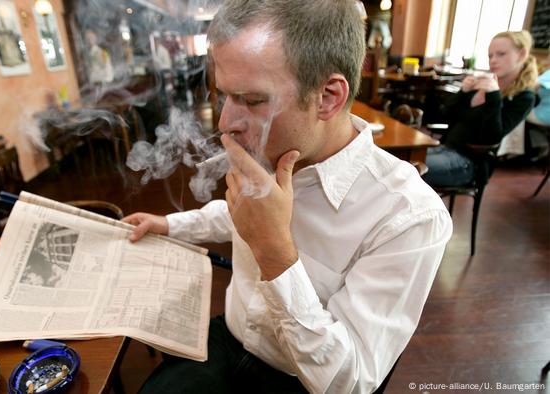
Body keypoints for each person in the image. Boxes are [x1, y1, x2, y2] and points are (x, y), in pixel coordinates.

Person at [123, 0, 452, 392]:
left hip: (299, 378)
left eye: (253, 100)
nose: (226, 123)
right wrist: (169, 224)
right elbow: (236, 213)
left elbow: (351, 380)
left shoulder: (408, 215)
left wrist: (275, 252)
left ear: (328, 96)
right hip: (228, 339)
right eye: (225, 95)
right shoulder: (266, 149)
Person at [424, 31, 538, 187]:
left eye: (501, 54)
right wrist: (463, 92)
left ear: (522, 54)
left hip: (468, 164)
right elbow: (444, 115)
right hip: (445, 149)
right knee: (395, 161)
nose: (493, 60)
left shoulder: (524, 97)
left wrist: (494, 97)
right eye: (490, 56)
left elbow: (492, 137)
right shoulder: (482, 85)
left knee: (406, 170)